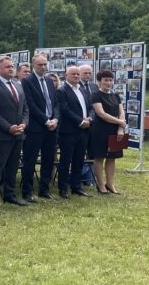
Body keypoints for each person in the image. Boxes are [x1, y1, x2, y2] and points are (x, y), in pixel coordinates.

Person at [0, 56, 29, 210]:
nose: (11, 68)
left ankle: (10, 195)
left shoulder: (18, 84)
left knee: (13, 167)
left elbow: (25, 108)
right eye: (8, 66)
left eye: (12, 66)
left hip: (19, 133)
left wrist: (24, 123)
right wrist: (8, 127)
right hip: (2, 135)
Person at [20, 55, 60, 201]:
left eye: (44, 64)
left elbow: (55, 103)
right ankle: (27, 191)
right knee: (30, 160)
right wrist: (45, 120)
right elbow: (30, 104)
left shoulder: (49, 81)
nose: (43, 67)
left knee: (48, 159)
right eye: (39, 65)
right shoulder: (27, 81)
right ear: (33, 65)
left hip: (51, 127)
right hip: (36, 127)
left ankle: (44, 189)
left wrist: (55, 119)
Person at [55, 66, 93, 198]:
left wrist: (89, 118)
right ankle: (63, 188)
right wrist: (80, 121)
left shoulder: (83, 90)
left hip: (84, 131)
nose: (76, 76)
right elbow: (64, 110)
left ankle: (76, 187)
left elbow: (91, 107)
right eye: (73, 74)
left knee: (79, 160)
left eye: (78, 74)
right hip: (68, 131)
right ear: (66, 75)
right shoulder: (62, 90)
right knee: (65, 161)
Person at [89, 70, 125, 195]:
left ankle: (110, 183)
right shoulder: (95, 95)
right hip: (100, 130)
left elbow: (121, 112)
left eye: (110, 80)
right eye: (105, 80)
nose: (108, 83)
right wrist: (119, 122)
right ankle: (100, 184)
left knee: (112, 157)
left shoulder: (116, 96)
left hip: (115, 130)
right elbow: (101, 114)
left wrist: (121, 128)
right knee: (100, 157)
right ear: (99, 81)